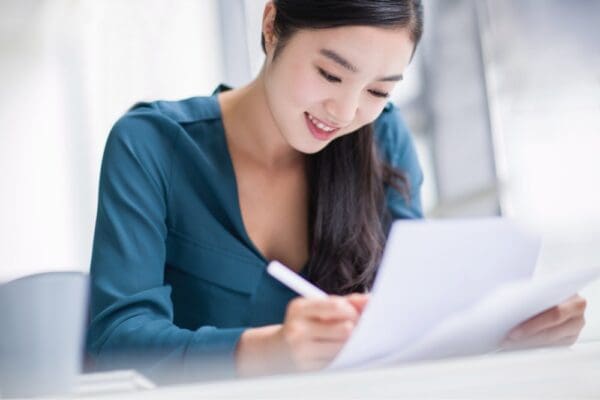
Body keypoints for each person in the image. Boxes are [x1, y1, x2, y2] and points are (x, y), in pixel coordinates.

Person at [86, 0, 587, 384]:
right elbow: (116, 343)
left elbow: (419, 322)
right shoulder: (150, 145)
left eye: (378, 91)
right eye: (330, 73)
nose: (345, 113)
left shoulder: (383, 138)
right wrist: (268, 350)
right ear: (271, 24)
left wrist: (507, 331)